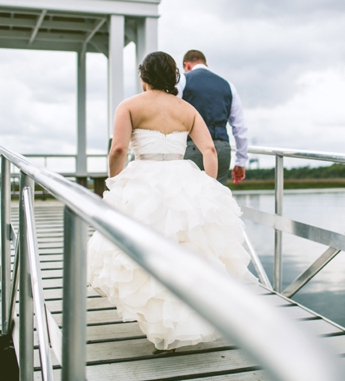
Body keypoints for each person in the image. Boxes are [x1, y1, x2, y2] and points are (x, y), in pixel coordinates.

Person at [86, 51, 256, 351]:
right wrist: (208, 185)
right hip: (182, 181)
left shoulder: (128, 106)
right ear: (174, 77)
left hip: (143, 179)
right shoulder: (187, 109)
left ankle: (157, 320)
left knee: (142, 250)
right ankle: (186, 315)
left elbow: (118, 150)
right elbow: (209, 152)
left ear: (144, 76)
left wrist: (114, 182)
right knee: (188, 249)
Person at [177, 50, 248, 185]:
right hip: (222, 149)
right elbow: (240, 127)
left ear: (187, 65)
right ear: (206, 65)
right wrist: (240, 161)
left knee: (189, 197)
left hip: (192, 147)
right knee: (217, 198)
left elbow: (172, 114)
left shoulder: (183, 80)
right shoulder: (228, 85)